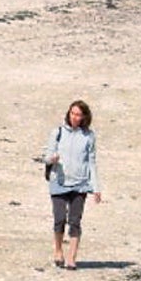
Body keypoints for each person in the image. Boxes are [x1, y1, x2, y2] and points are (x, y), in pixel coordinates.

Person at [43, 99, 101, 269]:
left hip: (80, 184)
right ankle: (58, 251)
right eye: (72, 113)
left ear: (84, 117)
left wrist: (96, 188)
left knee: (75, 221)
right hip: (59, 181)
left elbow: (92, 162)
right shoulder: (58, 132)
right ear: (68, 114)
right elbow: (46, 156)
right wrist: (51, 159)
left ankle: (71, 257)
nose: (75, 117)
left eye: (78, 115)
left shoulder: (89, 136)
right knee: (59, 219)